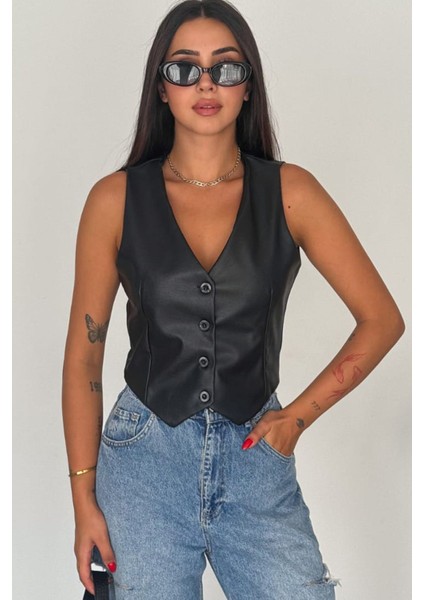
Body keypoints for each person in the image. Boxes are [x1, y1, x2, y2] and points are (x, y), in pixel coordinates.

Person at [61, 1, 405, 598]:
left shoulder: (291, 193)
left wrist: (296, 417)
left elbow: (381, 320)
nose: (205, 84)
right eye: (183, 68)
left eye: (225, 68)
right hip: (143, 462)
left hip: (255, 459)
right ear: (161, 87)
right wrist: (83, 500)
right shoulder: (114, 200)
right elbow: (83, 359)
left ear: (248, 85)